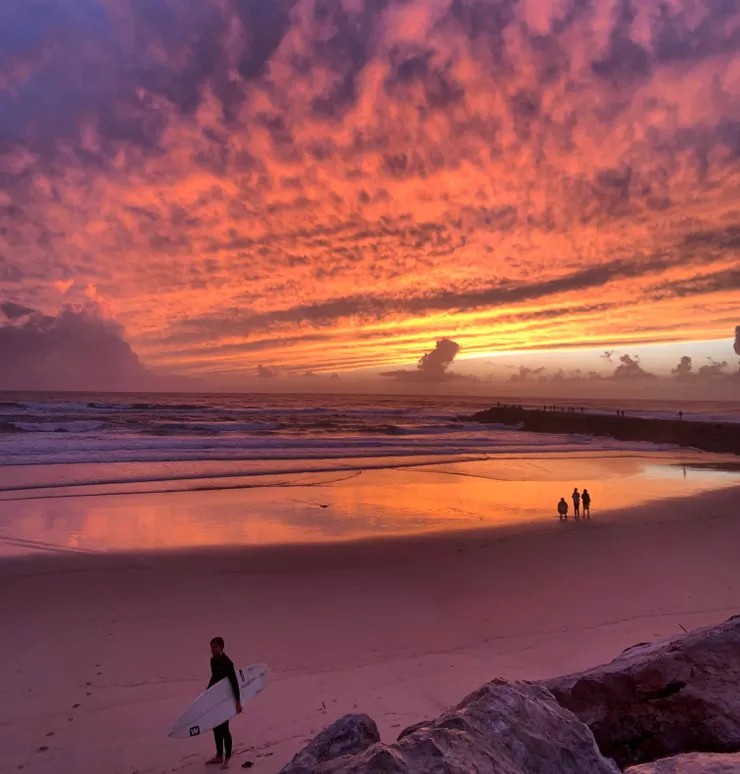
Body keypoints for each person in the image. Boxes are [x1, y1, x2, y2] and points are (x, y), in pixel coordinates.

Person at [207, 637, 242, 769]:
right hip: (216, 697)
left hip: (226, 699)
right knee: (215, 726)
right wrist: (207, 693)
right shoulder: (213, 661)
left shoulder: (228, 662)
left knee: (224, 728)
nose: (212, 650)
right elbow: (214, 677)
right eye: (211, 648)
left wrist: (238, 702)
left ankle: (227, 758)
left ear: (221, 647)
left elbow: (234, 682)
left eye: (214, 647)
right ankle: (218, 755)